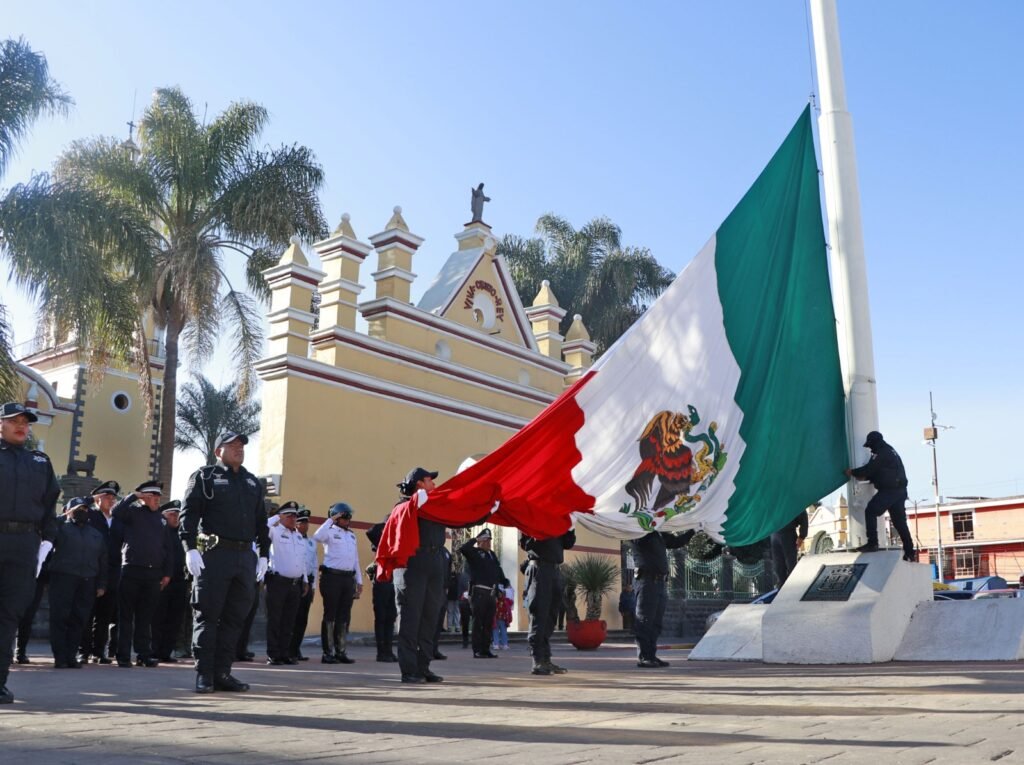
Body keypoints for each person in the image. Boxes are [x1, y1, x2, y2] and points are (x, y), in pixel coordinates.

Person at [180, 431, 270, 694]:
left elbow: (261, 523)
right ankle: (204, 674)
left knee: (234, 619)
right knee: (207, 616)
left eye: (241, 445)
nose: (239, 449)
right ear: (218, 450)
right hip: (214, 555)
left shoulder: (252, 482)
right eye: (232, 445)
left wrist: (264, 554)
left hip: (244, 557)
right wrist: (190, 548)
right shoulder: (205, 477)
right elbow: (189, 515)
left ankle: (223, 672)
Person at [0, 402, 60, 704]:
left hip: (25, 542)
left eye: (25, 421)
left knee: (9, 614)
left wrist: (47, 541)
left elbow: (50, 505)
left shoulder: (39, 461)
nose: (22, 425)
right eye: (14, 420)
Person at [111, 480, 174, 668]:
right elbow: (116, 511)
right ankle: (122, 654)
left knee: (145, 617)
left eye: (157, 496)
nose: (156, 499)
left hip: (153, 574)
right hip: (131, 570)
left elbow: (168, 549)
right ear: (145, 497)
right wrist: (134, 496)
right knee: (126, 616)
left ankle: (143, 654)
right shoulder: (133, 512)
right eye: (152, 496)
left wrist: (167, 573)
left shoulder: (161, 519)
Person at [393, 467, 446, 684]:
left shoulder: (435, 507)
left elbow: (460, 518)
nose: (434, 484)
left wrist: (487, 510)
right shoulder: (403, 506)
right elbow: (404, 515)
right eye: (429, 480)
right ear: (419, 485)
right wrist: (417, 497)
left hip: (434, 563)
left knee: (429, 618)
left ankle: (423, 666)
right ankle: (409, 670)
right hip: (412, 565)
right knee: (410, 619)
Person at [47, 497, 108, 668]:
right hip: (63, 579)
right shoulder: (60, 527)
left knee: (79, 619)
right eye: (77, 509)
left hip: (87, 581)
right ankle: (60, 657)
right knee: (60, 618)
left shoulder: (95, 534)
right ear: (68, 511)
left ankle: (71, 656)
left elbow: (103, 560)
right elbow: (48, 525)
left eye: (85, 508)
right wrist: (64, 515)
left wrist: (102, 584)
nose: (82, 511)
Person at [845, 430, 915, 561]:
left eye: (870, 445)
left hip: (890, 491)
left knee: (871, 511)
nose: (870, 449)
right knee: (899, 523)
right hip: (899, 491)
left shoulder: (881, 452)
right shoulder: (890, 450)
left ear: (875, 443)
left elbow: (869, 469)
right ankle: (910, 551)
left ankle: (872, 543)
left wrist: (852, 472)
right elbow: (882, 470)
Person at [632, 529, 693, 668]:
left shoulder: (658, 533)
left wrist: (694, 530)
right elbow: (635, 535)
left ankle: (651, 655)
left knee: (656, 622)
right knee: (644, 620)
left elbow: (676, 542)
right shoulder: (637, 531)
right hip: (646, 581)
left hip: (660, 582)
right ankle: (644, 657)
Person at [521, 527, 576, 675]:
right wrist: (538, 532)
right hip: (539, 569)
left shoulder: (558, 521)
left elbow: (567, 543)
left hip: (555, 570)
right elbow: (525, 544)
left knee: (551, 616)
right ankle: (537, 660)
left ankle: (546, 659)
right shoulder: (533, 520)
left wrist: (570, 529)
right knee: (539, 614)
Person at [314, 502, 363, 664]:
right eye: (345, 516)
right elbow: (317, 537)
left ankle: (341, 651)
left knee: (344, 616)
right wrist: (330, 520)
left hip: (348, 579)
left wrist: (359, 581)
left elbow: (355, 559)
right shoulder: (329, 531)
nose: (348, 519)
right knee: (330, 614)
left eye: (349, 516)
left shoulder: (351, 535)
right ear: (336, 517)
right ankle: (327, 653)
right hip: (332, 578)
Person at [264, 502, 309, 665]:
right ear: (282, 517)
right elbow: (261, 527)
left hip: (295, 583)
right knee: (275, 619)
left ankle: (285, 653)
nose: (293, 518)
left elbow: (301, 559)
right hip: (278, 582)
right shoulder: (274, 531)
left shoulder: (298, 535)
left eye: (294, 515)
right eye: (289, 515)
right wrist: (276, 517)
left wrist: (304, 579)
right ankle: (274, 654)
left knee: (289, 620)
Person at [82, 480, 121, 664]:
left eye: (113, 497)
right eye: (107, 497)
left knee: (104, 616)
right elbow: (71, 505)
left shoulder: (118, 520)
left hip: (112, 572)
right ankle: (84, 651)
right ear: (97, 499)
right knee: (87, 614)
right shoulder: (90, 515)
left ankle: (99, 651)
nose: (111, 501)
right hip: (92, 570)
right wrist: (90, 499)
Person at [459, 528, 505, 659]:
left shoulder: (492, 555)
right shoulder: (474, 553)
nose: (489, 543)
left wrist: (502, 586)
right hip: (479, 592)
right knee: (478, 622)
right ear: (480, 541)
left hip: (491, 593)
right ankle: (477, 650)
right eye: (486, 540)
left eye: (489, 540)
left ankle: (486, 649)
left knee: (488, 623)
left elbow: (497, 571)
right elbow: (463, 549)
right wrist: (475, 540)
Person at [152, 500, 188, 663]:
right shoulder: (157, 533)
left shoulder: (182, 534)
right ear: (163, 515)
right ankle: (154, 650)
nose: (176, 518)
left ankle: (166, 651)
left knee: (174, 618)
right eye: (172, 515)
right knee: (157, 617)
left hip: (180, 581)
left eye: (178, 515)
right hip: (161, 581)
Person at [366, 516, 398, 663]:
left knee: (391, 617)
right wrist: (389, 521)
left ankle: (389, 650)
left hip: (394, 580)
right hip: (381, 579)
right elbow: (371, 531)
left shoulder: (396, 538)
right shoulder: (381, 536)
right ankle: (381, 652)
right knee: (381, 617)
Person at [289, 506, 317, 662]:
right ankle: (288, 649)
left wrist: (313, 587)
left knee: (302, 619)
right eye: (301, 523)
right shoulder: (292, 539)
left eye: (306, 523)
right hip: (296, 580)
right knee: (292, 617)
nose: (305, 525)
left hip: (309, 582)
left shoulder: (311, 542)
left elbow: (314, 564)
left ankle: (296, 649)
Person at [770, 509, 809, 587]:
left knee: (791, 565)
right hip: (773, 535)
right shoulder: (771, 501)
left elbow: (803, 517)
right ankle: (781, 589)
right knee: (778, 567)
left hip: (788, 534)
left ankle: (793, 588)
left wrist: (802, 536)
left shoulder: (792, 499)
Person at [493, 578, 513, 651]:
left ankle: (504, 644)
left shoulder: (506, 600)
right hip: (495, 618)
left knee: (503, 631)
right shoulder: (494, 601)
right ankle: (496, 644)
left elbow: (510, 603)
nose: (499, 594)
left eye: (501, 593)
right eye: (498, 593)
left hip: (503, 618)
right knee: (495, 631)